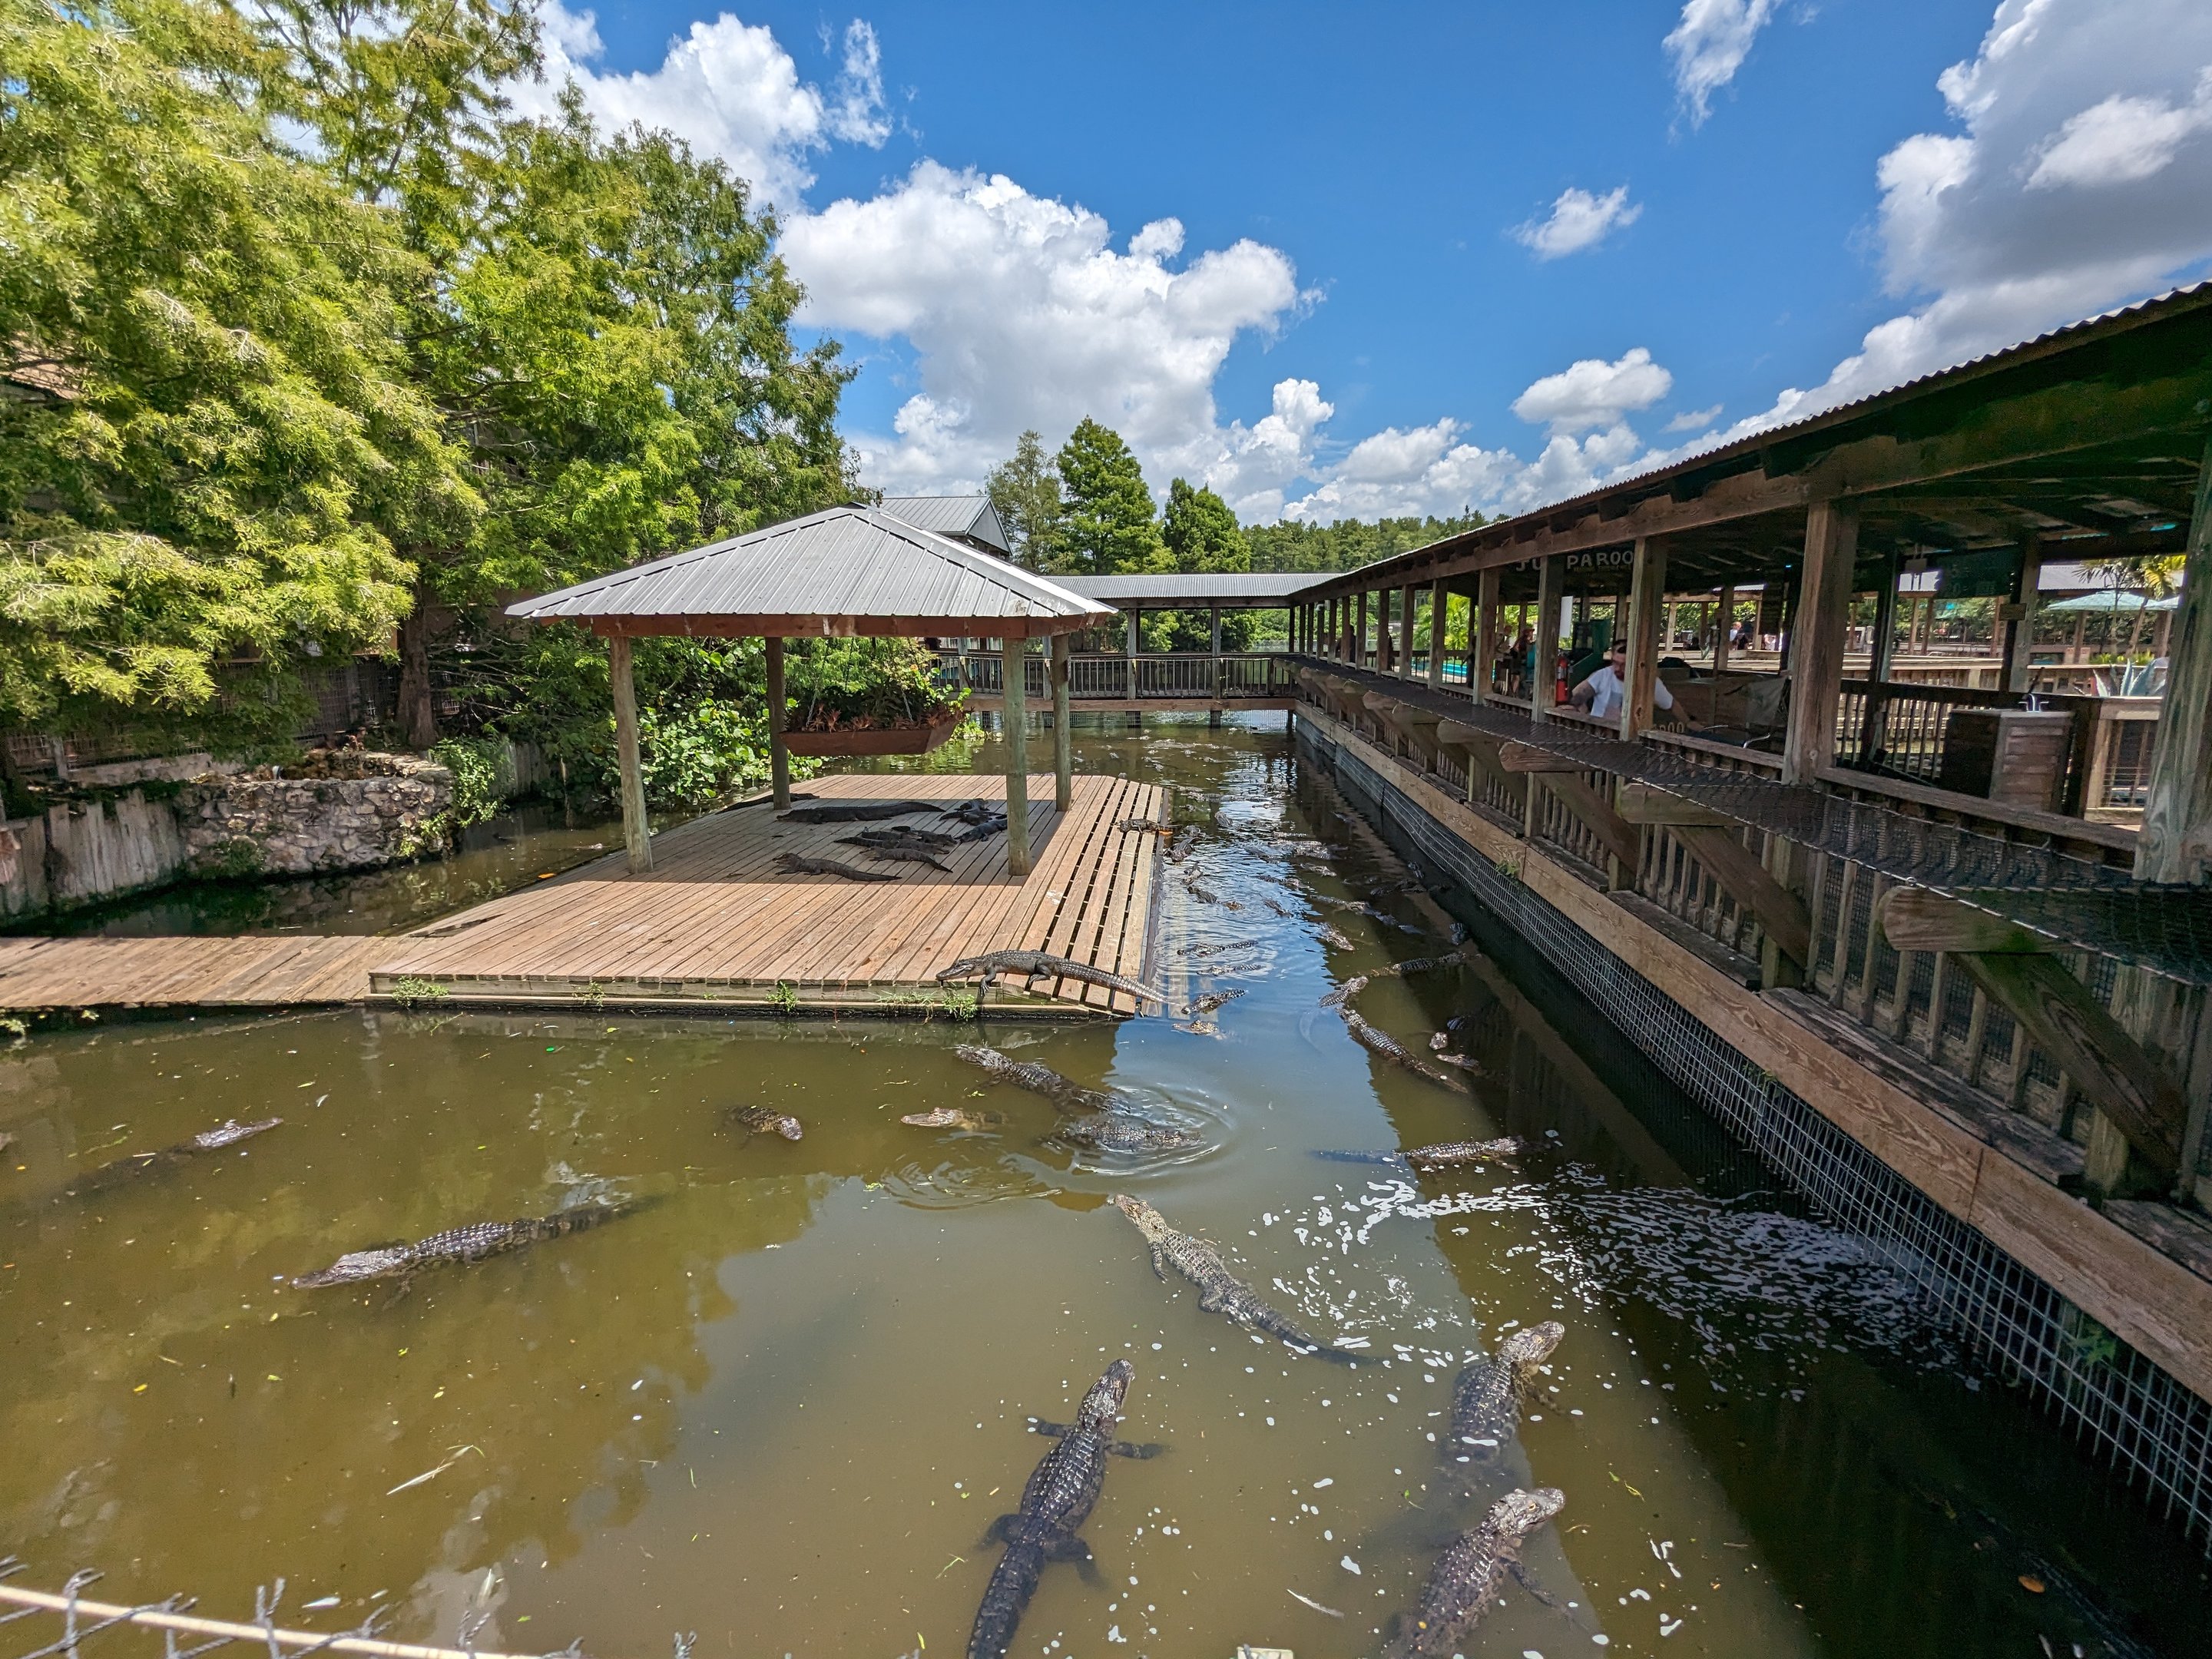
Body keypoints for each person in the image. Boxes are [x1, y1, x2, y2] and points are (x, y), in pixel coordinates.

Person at [1571, 639, 1675, 723]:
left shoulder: (1650, 682)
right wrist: (1586, 716)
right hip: (1601, 733)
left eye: (1623, 665)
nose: (1617, 668)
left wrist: (1685, 726)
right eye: (1615, 663)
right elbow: (1577, 693)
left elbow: (1671, 704)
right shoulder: (1603, 675)